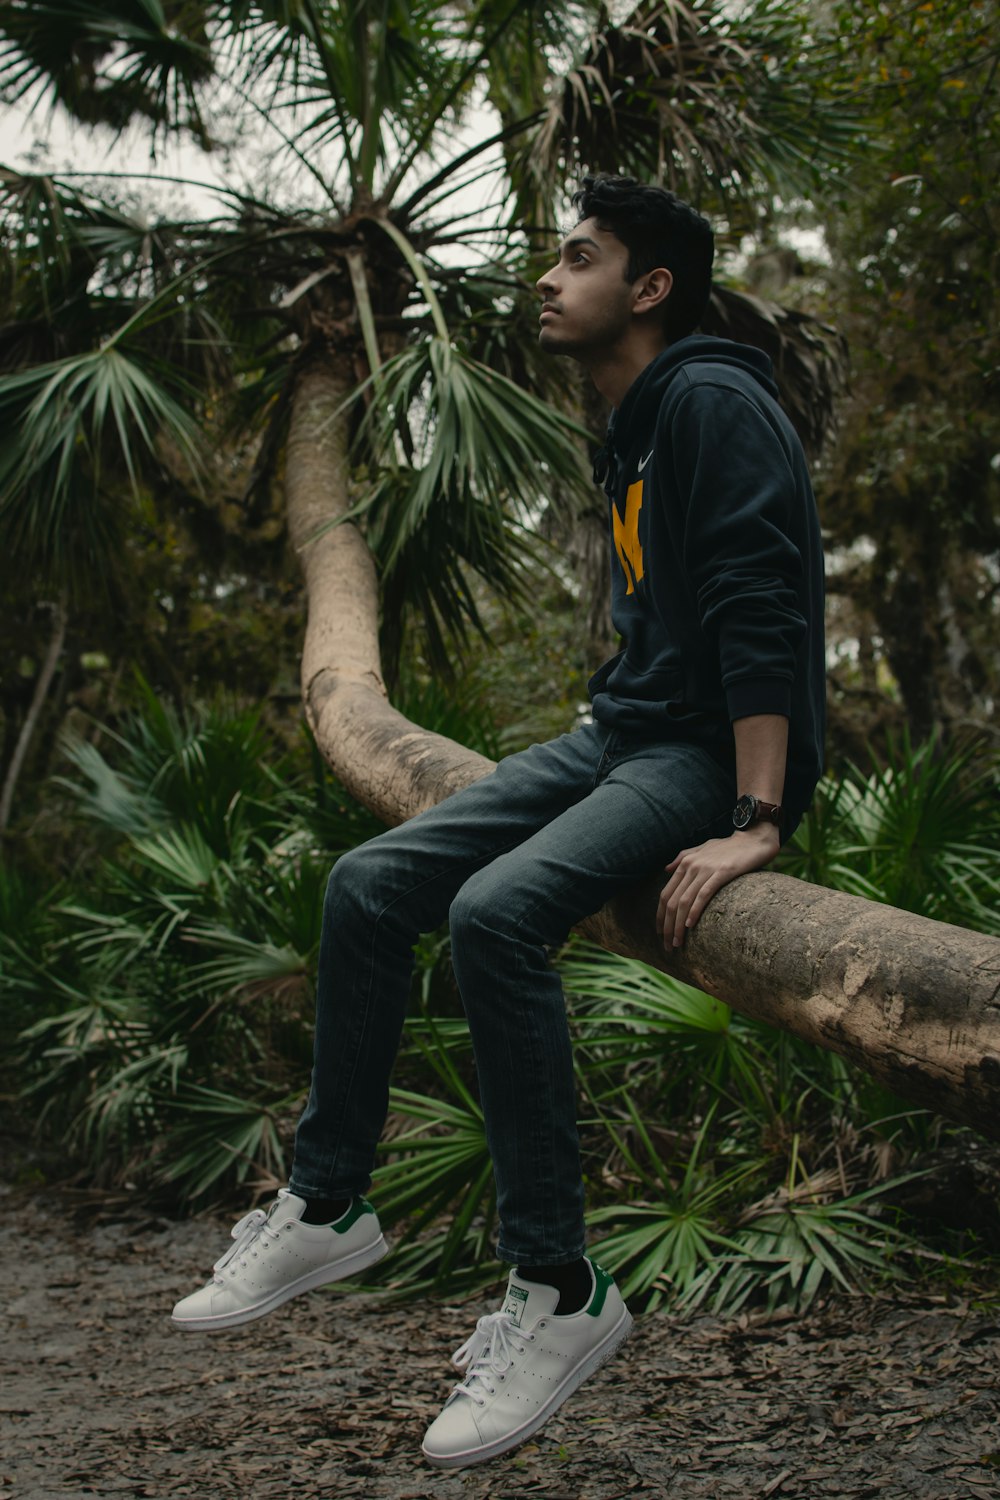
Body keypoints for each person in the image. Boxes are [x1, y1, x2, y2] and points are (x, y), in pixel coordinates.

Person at [171, 174, 825, 1470]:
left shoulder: (706, 394)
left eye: (578, 257)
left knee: (495, 915)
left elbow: (766, 604)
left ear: (649, 288)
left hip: (703, 758)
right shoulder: (634, 417)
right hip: (622, 736)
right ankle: (329, 1200)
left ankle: (563, 1290)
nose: (547, 276)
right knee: (368, 885)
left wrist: (757, 812)